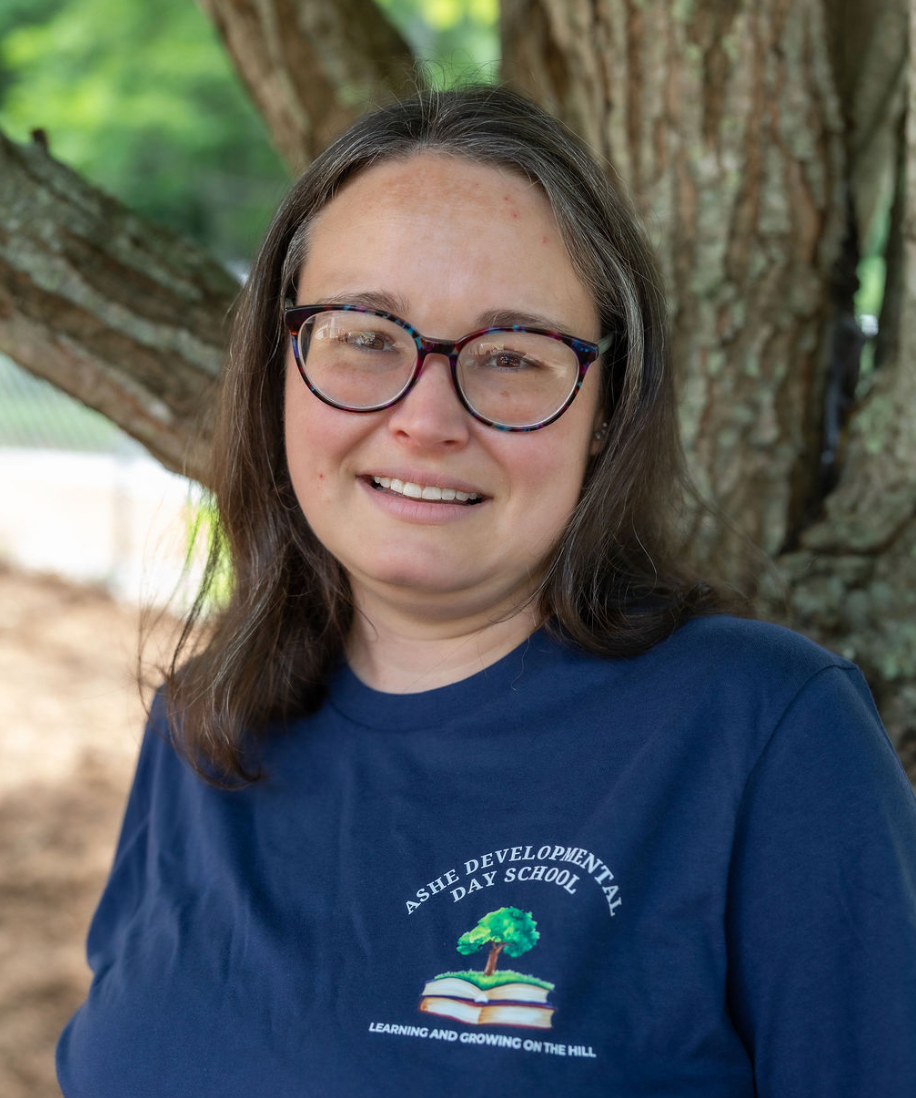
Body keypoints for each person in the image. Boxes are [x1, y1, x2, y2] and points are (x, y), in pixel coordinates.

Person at [57, 84, 916, 1097]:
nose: (426, 418)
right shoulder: (202, 725)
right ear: (278, 366)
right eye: (366, 335)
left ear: (605, 406)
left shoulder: (763, 732)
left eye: (511, 356)